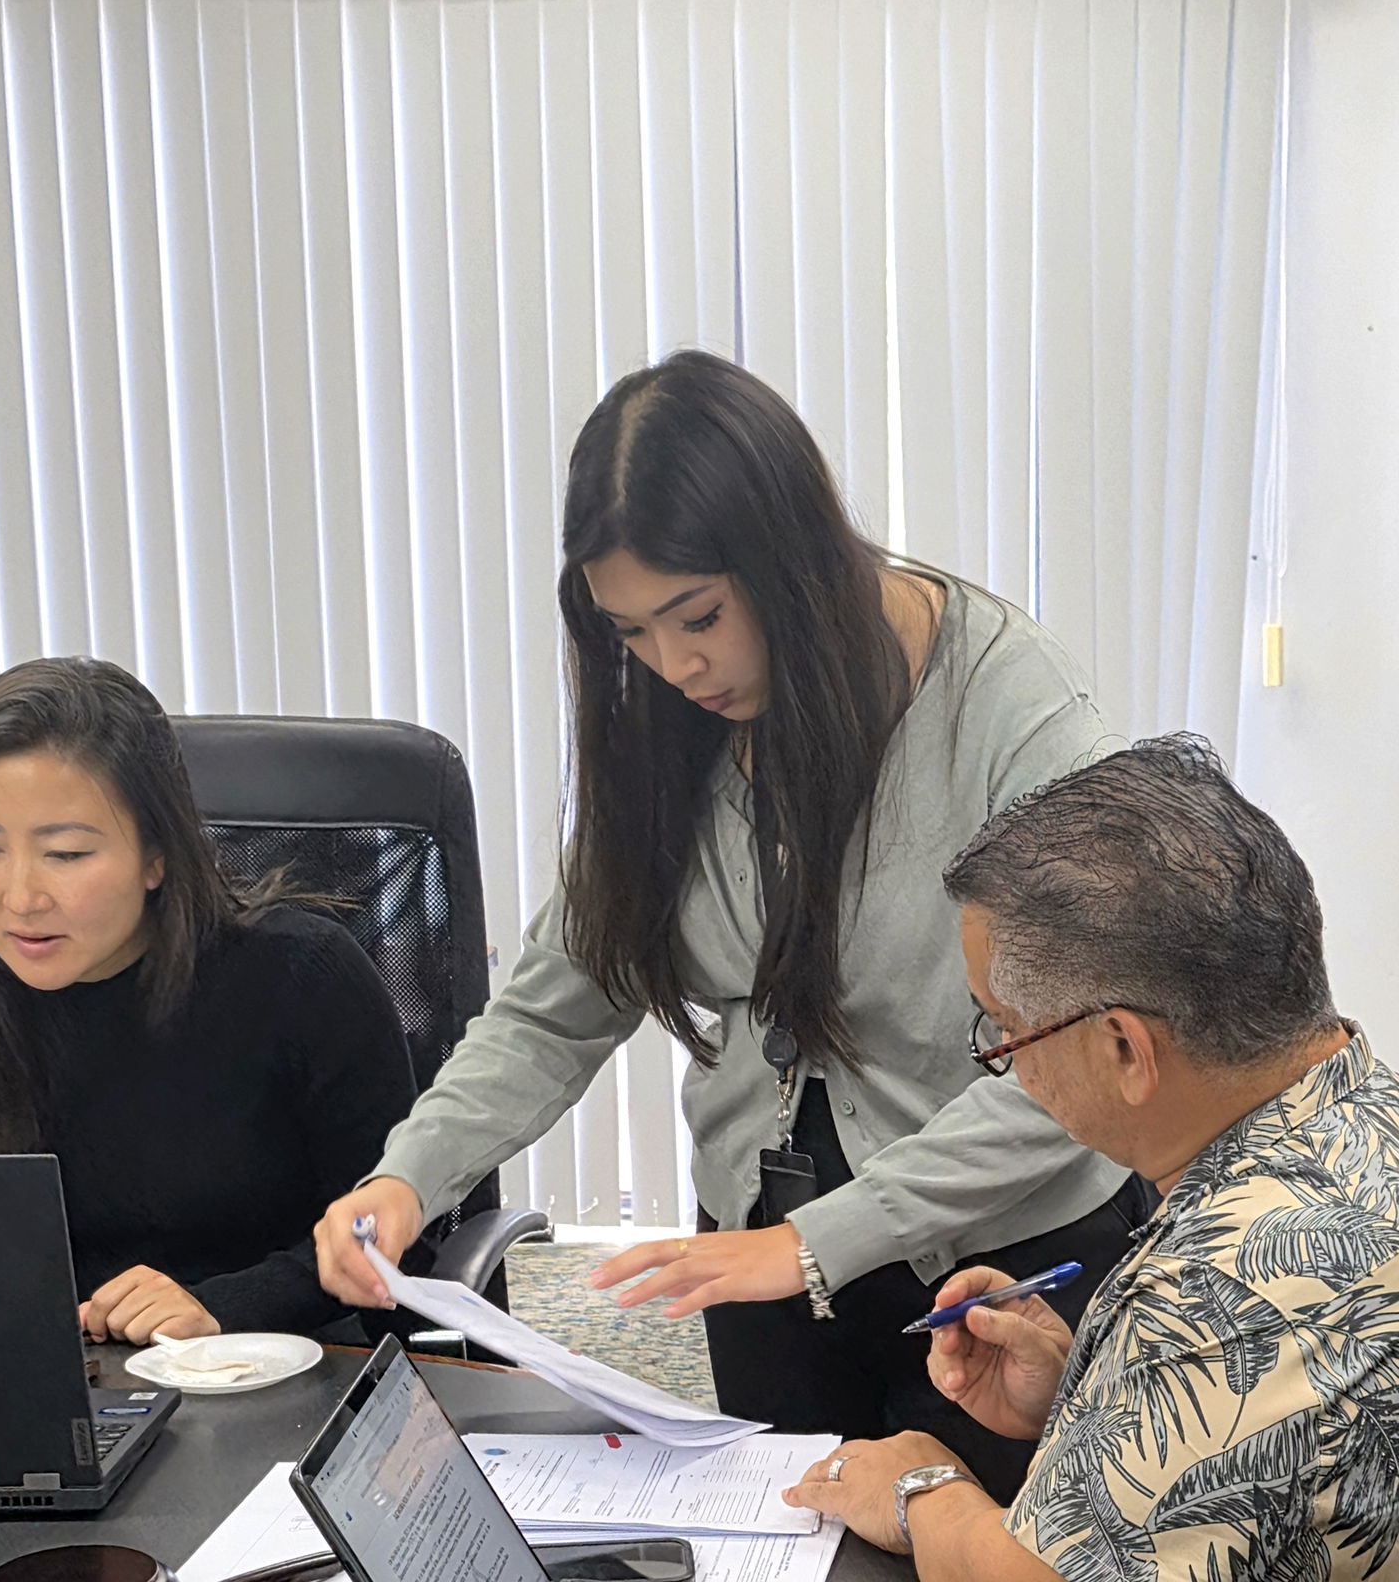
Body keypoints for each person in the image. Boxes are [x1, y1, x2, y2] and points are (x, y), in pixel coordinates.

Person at [315, 348, 1150, 1498]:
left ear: (792, 559)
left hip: (998, 1267)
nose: (673, 664)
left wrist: (813, 1245)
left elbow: (1086, 1064)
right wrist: (409, 1176)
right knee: (783, 1539)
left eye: (696, 615)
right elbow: (564, 997)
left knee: (975, 1546)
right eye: (631, 634)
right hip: (763, 1245)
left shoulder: (1014, 712)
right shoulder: (671, 725)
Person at [783, 734, 1399, 1579]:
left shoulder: (1218, 1294)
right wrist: (1093, 1392)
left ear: (1123, 1048)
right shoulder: (1364, 1113)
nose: (1005, 1059)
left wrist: (922, 1489)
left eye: (1003, 1029)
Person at [0, 656, 418, 1344]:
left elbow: (390, 1245)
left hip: (277, 1375)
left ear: (157, 855)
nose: (21, 898)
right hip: (43, 1390)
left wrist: (226, 1308)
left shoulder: (301, 977)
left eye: (65, 855)